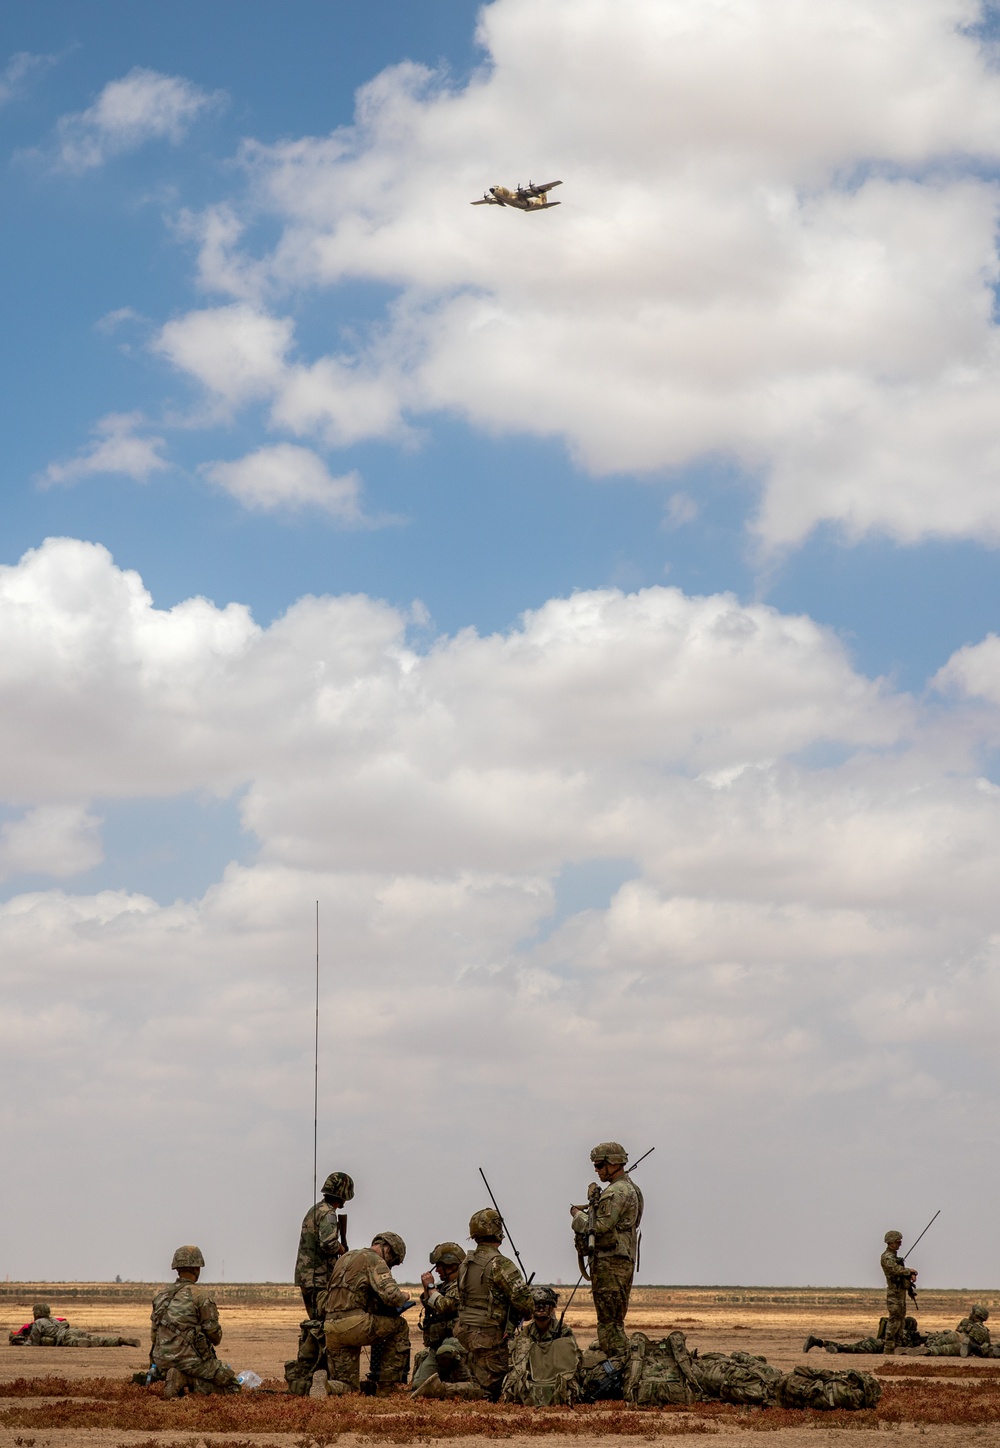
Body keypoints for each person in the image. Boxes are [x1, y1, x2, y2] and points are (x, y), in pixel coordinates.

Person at [285, 1170, 355, 1396]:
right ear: (342, 1194)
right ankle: (315, 1371)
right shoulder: (328, 1215)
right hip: (320, 1278)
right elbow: (328, 1244)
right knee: (322, 1325)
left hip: (308, 1276)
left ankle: (313, 1372)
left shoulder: (314, 1210)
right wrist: (343, 1249)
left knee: (317, 1322)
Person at [570, 1142, 642, 1358]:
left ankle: (617, 1367)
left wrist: (577, 1216)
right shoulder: (630, 1189)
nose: (597, 1170)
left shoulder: (618, 1192)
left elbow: (599, 1226)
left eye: (600, 1165)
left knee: (609, 1323)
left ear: (614, 1164)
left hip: (611, 1262)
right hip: (618, 1260)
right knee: (613, 1322)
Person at [455, 1207, 534, 1401]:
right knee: (490, 1391)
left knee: (475, 1379)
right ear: (497, 1231)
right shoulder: (500, 1264)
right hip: (489, 1337)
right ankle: (442, 1390)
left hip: (464, 1333)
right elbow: (526, 1305)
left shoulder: (465, 1263)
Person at [323, 1231, 412, 1395]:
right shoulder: (375, 1260)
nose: (391, 1265)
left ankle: (326, 1387)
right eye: (393, 1261)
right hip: (355, 1324)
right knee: (400, 1326)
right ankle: (387, 1387)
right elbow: (392, 1296)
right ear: (388, 1249)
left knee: (348, 1386)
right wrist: (406, 1296)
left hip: (331, 1327)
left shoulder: (344, 1258)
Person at [150, 1246, 239, 1398]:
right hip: (191, 1362)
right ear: (197, 1269)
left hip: (161, 1362)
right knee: (233, 1387)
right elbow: (215, 1336)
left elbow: (153, 1336)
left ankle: (178, 1380)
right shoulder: (200, 1296)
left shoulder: (161, 1296)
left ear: (177, 1268)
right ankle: (186, 1380)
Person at [501, 1286, 581, 1405]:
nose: (541, 1308)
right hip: (533, 1376)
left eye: (546, 1304)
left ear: (552, 1307)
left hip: (557, 1376)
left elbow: (572, 1362)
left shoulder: (564, 1332)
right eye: (536, 1304)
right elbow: (519, 1364)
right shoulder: (526, 1333)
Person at [411, 1242, 465, 1389]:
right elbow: (431, 1306)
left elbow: (444, 1306)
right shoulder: (445, 1286)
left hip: (454, 1346)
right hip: (437, 1346)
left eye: (440, 1266)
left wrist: (430, 1287)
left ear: (452, 1265)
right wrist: (426, 1289)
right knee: (419, 1385)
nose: (438, 1271)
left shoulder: (462, 1285)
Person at [10, 1302, 138, 1348]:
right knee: (99, 1339)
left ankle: (83, 1343)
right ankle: (120, 1340)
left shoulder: (38, 1323)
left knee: (78, 1342)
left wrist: (19, 1342)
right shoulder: (54, 1319)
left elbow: (34, 1343)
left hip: (66, 1336)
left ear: (36, 1313)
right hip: (72, 1330)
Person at [906, 1306, 999, 1358]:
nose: (971, 1314)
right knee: (943, 1350)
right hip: (965, 1345)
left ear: (976, 1315)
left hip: (957, 1335)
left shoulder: (966, 1321)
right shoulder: (985, 1331)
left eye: (972, 1312)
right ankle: (928, 1351)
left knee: (937, 1342)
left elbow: (958, 1330)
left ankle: (918, 1348)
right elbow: (986, 1345)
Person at [803, 1316, 924, 1354]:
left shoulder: (897, 1330)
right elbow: (907, 1348)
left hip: (875, 1342)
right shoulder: (905, 1334)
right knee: (854, 1349)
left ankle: (819, 1342)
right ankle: (837, 1349)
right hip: (877, 1346)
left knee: (851, 1346)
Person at [880, 1230, 916, 1355]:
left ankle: (898, 1347)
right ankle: (889, 1348)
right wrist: (909, 1271)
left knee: (901, 1320)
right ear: (890, 1242)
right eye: (898, 1242)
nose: (900, 1244)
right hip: (894, 1294)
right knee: (894, 1320)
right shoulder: (887, 1257)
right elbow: (894, 1269)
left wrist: (909, 1274)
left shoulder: (894, 1257)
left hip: (900, 1294)